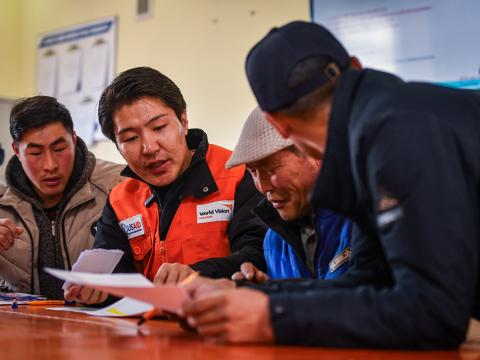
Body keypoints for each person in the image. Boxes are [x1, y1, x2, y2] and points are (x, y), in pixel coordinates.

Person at [179, 21, 480, 348]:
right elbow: (367, 281)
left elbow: (433, 314)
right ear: (356, 66)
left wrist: (272, 316)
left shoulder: (392, 137)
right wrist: (249, 294)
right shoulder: (384, 123)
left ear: (278, 125)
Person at [65, 67, 266, 304]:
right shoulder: (121, 200)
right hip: (146, 332)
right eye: (130, 138)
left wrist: (198, 273)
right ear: (117, 146)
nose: (149, 148)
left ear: (183, 120)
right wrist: (96, 291)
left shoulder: (238, 174)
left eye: (159, 128)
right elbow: (117, 280)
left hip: (225, 326)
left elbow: (260, 257)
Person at [0, 96, 123, 299]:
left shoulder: (118, 186)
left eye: (59, 149)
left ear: (74, 139)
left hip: (100, 325)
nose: (50, 165)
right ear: (16, 150)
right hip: (21, 328)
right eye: (36, 153)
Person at [227, 107, 351, 282]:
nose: (262, 187)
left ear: (314, 152)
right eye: (253, 172)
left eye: (272, 169)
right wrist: (268, 298)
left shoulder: (363, 216)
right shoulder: (274, 242)